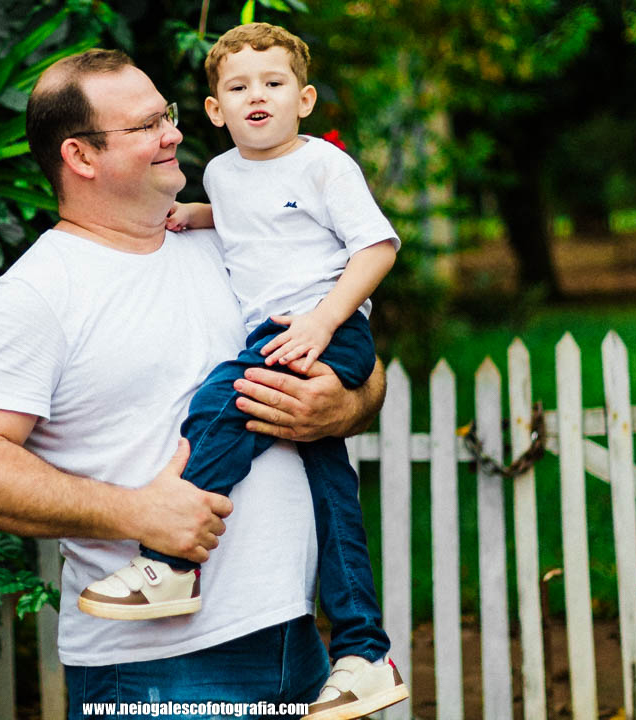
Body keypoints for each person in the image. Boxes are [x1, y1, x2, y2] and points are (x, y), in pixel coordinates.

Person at [0, 48, 387, 719]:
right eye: (146, 126)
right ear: (80, 156)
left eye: (167, 115)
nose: (173, 134)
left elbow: (356, 357)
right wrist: (136, 513)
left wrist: (344, 406)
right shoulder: (37, 293)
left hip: (296, 641)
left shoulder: (233, 245)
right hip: (153, 669)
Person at [81, 24, 407, 720]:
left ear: (305, 100)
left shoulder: (324, 166)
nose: (257, 95)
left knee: (220, 401)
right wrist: (197, 215)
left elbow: (378, 246)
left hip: (323, 329)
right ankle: (366, 655)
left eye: (274, 83)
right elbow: (250, 221)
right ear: (214, 109)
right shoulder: (223, 174)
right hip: (282, 333)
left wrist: (323, 321)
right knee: (332, 495)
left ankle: (171, 565)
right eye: (238, 87)